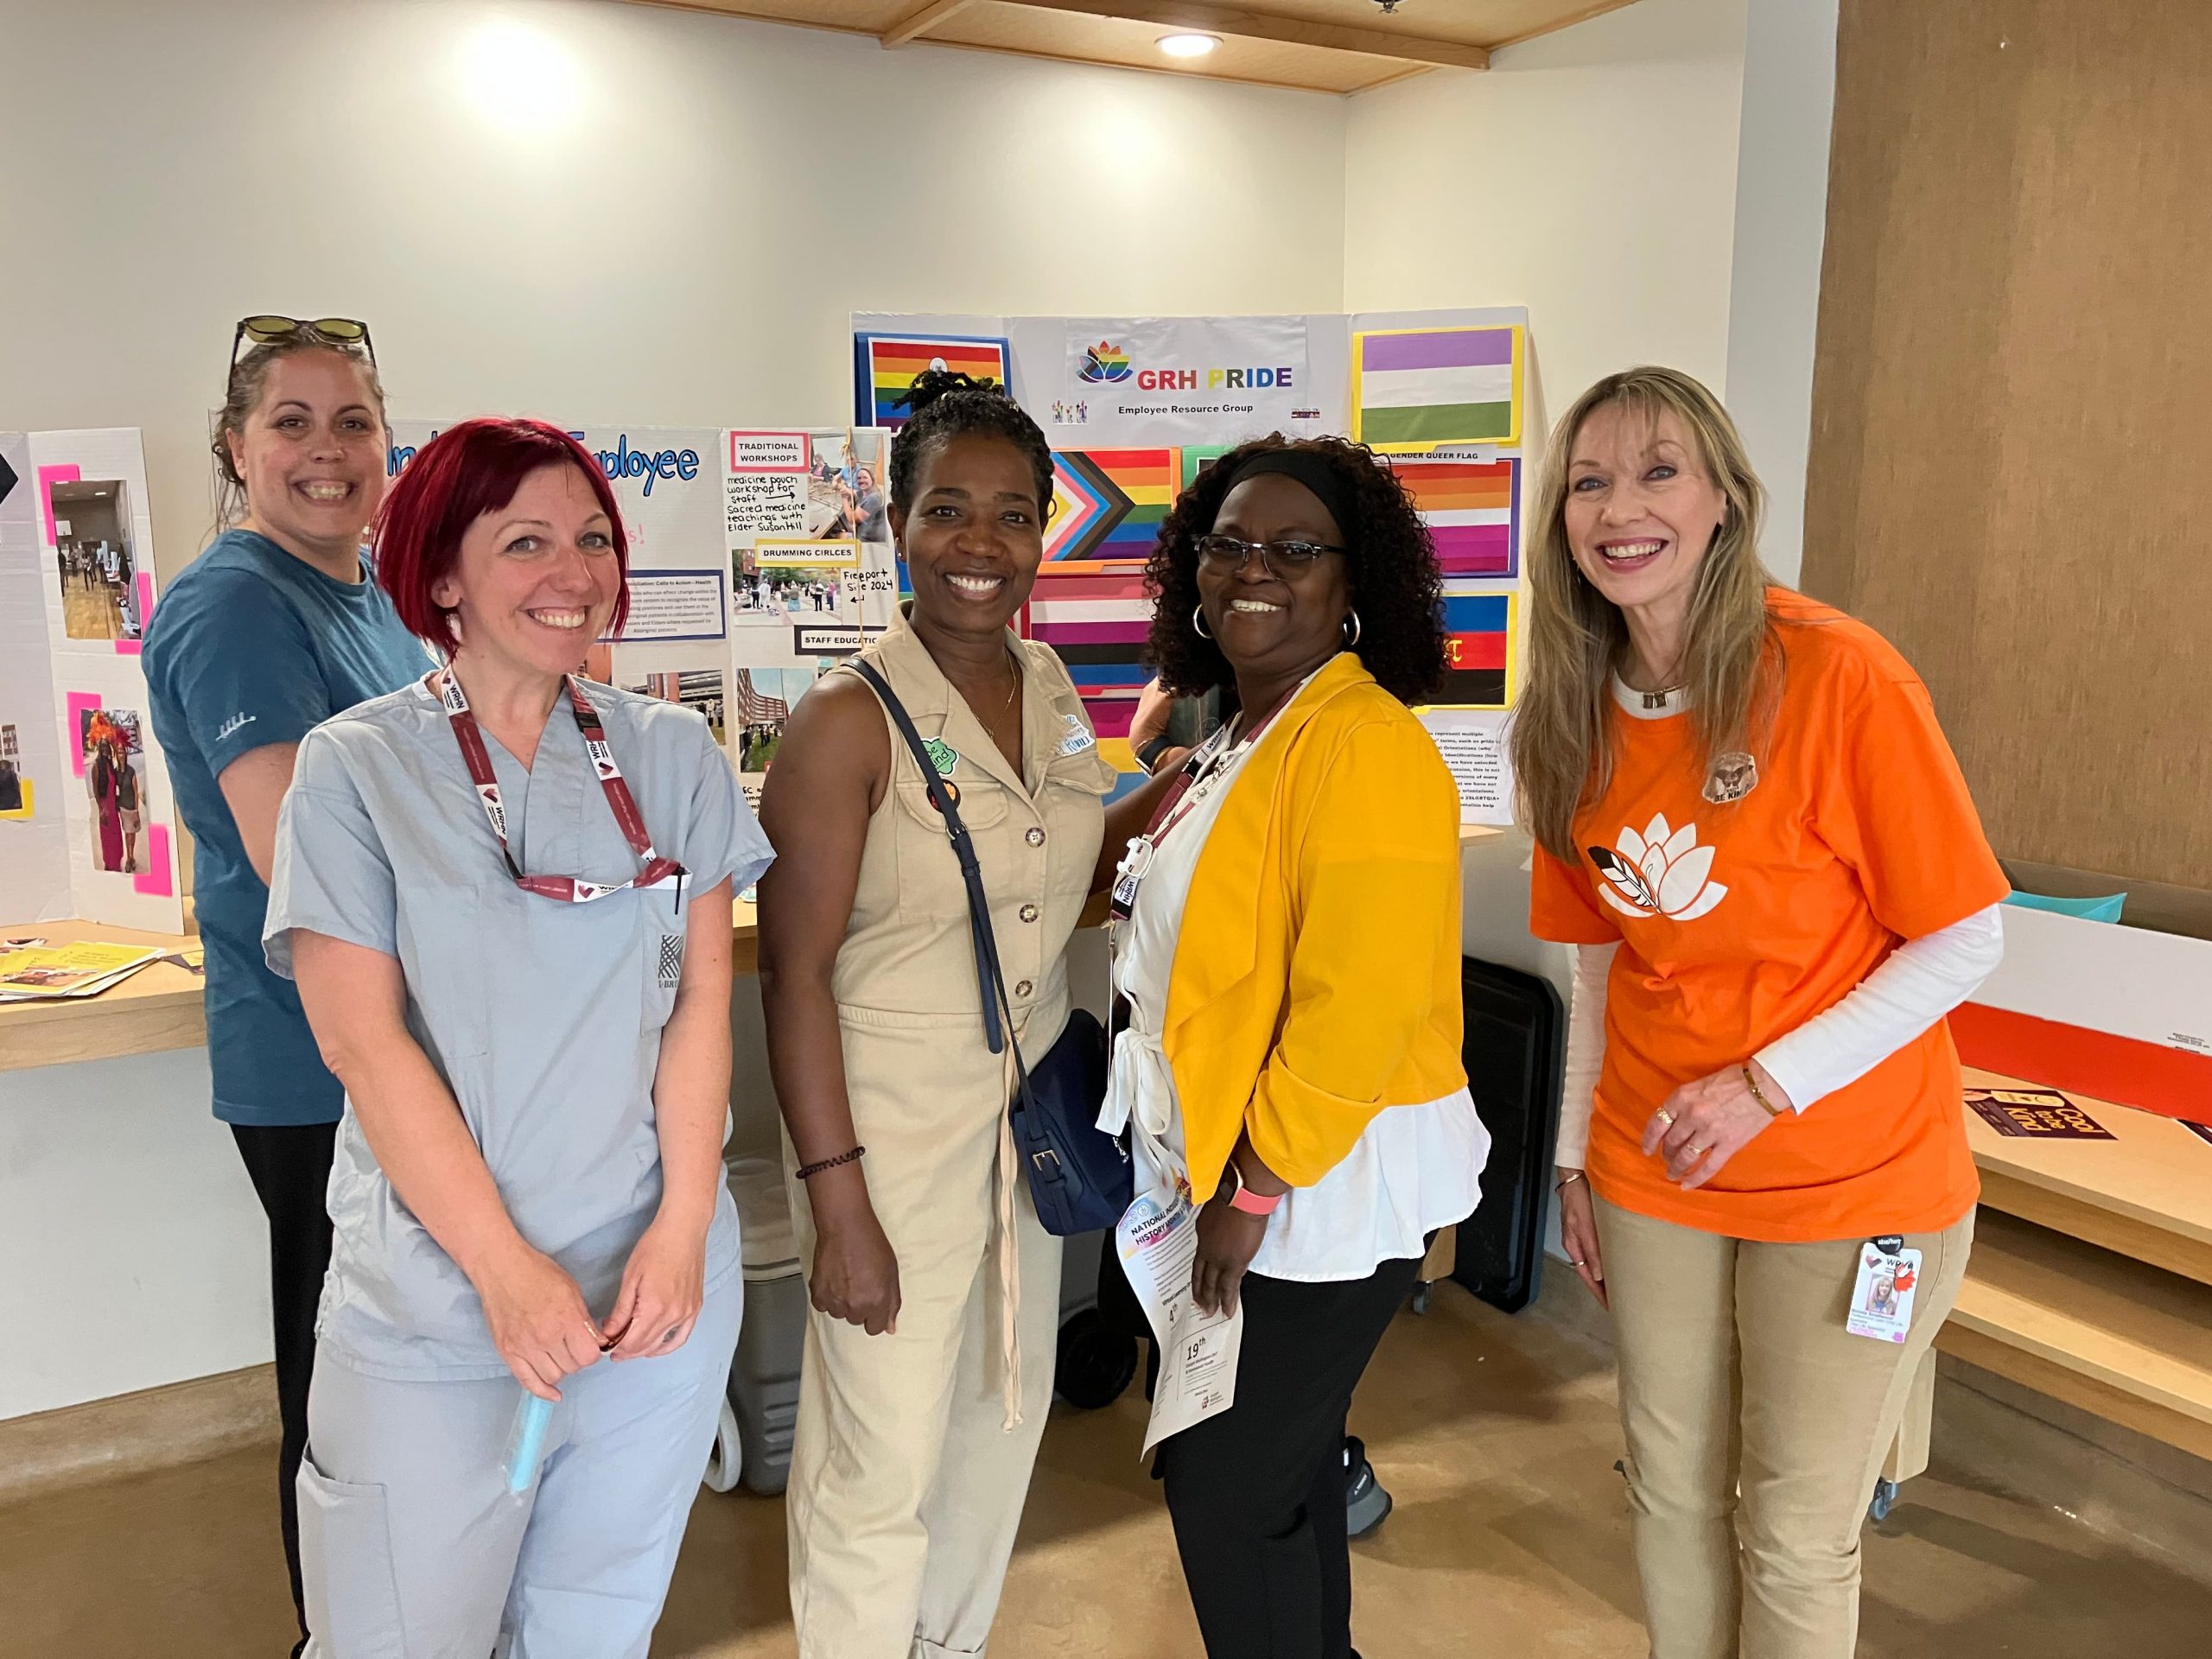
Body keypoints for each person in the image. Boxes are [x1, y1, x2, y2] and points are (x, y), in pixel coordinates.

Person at [1514, 366, 2006, 1659]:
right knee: (1670, 1487)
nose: (1623, 508)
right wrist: (1576, 1154)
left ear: (1727, 499)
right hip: (1656, 1167)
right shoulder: (1565, 711)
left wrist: (1769, 1084)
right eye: (1590, 481)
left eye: (1660, 471)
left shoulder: (1840, 677)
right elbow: (1602, 964)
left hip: (1856, 1177)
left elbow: (1966, 933)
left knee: (1796, 1524)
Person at [261, 416, 772, 1656]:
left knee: (592, 1622)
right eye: (526, 541)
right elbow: (363, 1045)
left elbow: (702, 1002)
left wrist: (685, 1228)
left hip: (650, 1293)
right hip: (441, 1301)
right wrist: (502, 1269)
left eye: (593, 538)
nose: (574, 573)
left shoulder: (671, 752)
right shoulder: (355, 770)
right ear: (442, 574)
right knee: (397, 1632)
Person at [757, 371, 1172, 1658]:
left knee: (1004, 1413)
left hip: (1029, 1105)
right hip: (886, 1124)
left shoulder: (1049, 682)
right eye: (947, 509)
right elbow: (794, 976)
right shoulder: (844, 722)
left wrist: (1191, 788)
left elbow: (1063, 876)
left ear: (1046, 527)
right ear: (895, 526)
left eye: (1009, 513)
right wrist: (839, 1208)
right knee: (875, 1461)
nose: (979, 544)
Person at [1108, 435, 1483, 1659]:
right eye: (1227, 546)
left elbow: (1357, 1006)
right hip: (1239, 1168)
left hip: (1315, 1186)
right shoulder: (1243, 735)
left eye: (1294, 550)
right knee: (1287, 1477)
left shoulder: (1365, 744)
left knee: (1228, 1490)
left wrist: (1256, 1185)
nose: (1252, 572)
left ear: (1352, 579)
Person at [143, 315, 428, 1654]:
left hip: (405, 1043)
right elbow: (298, 856)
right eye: (293, 422)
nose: (329, 451)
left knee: (405, 1366)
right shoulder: (234, 602)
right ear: (235, 446)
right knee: (344, 1380)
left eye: (353, 421)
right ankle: (344, 1633)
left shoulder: (368, 593)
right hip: (314, 1056)